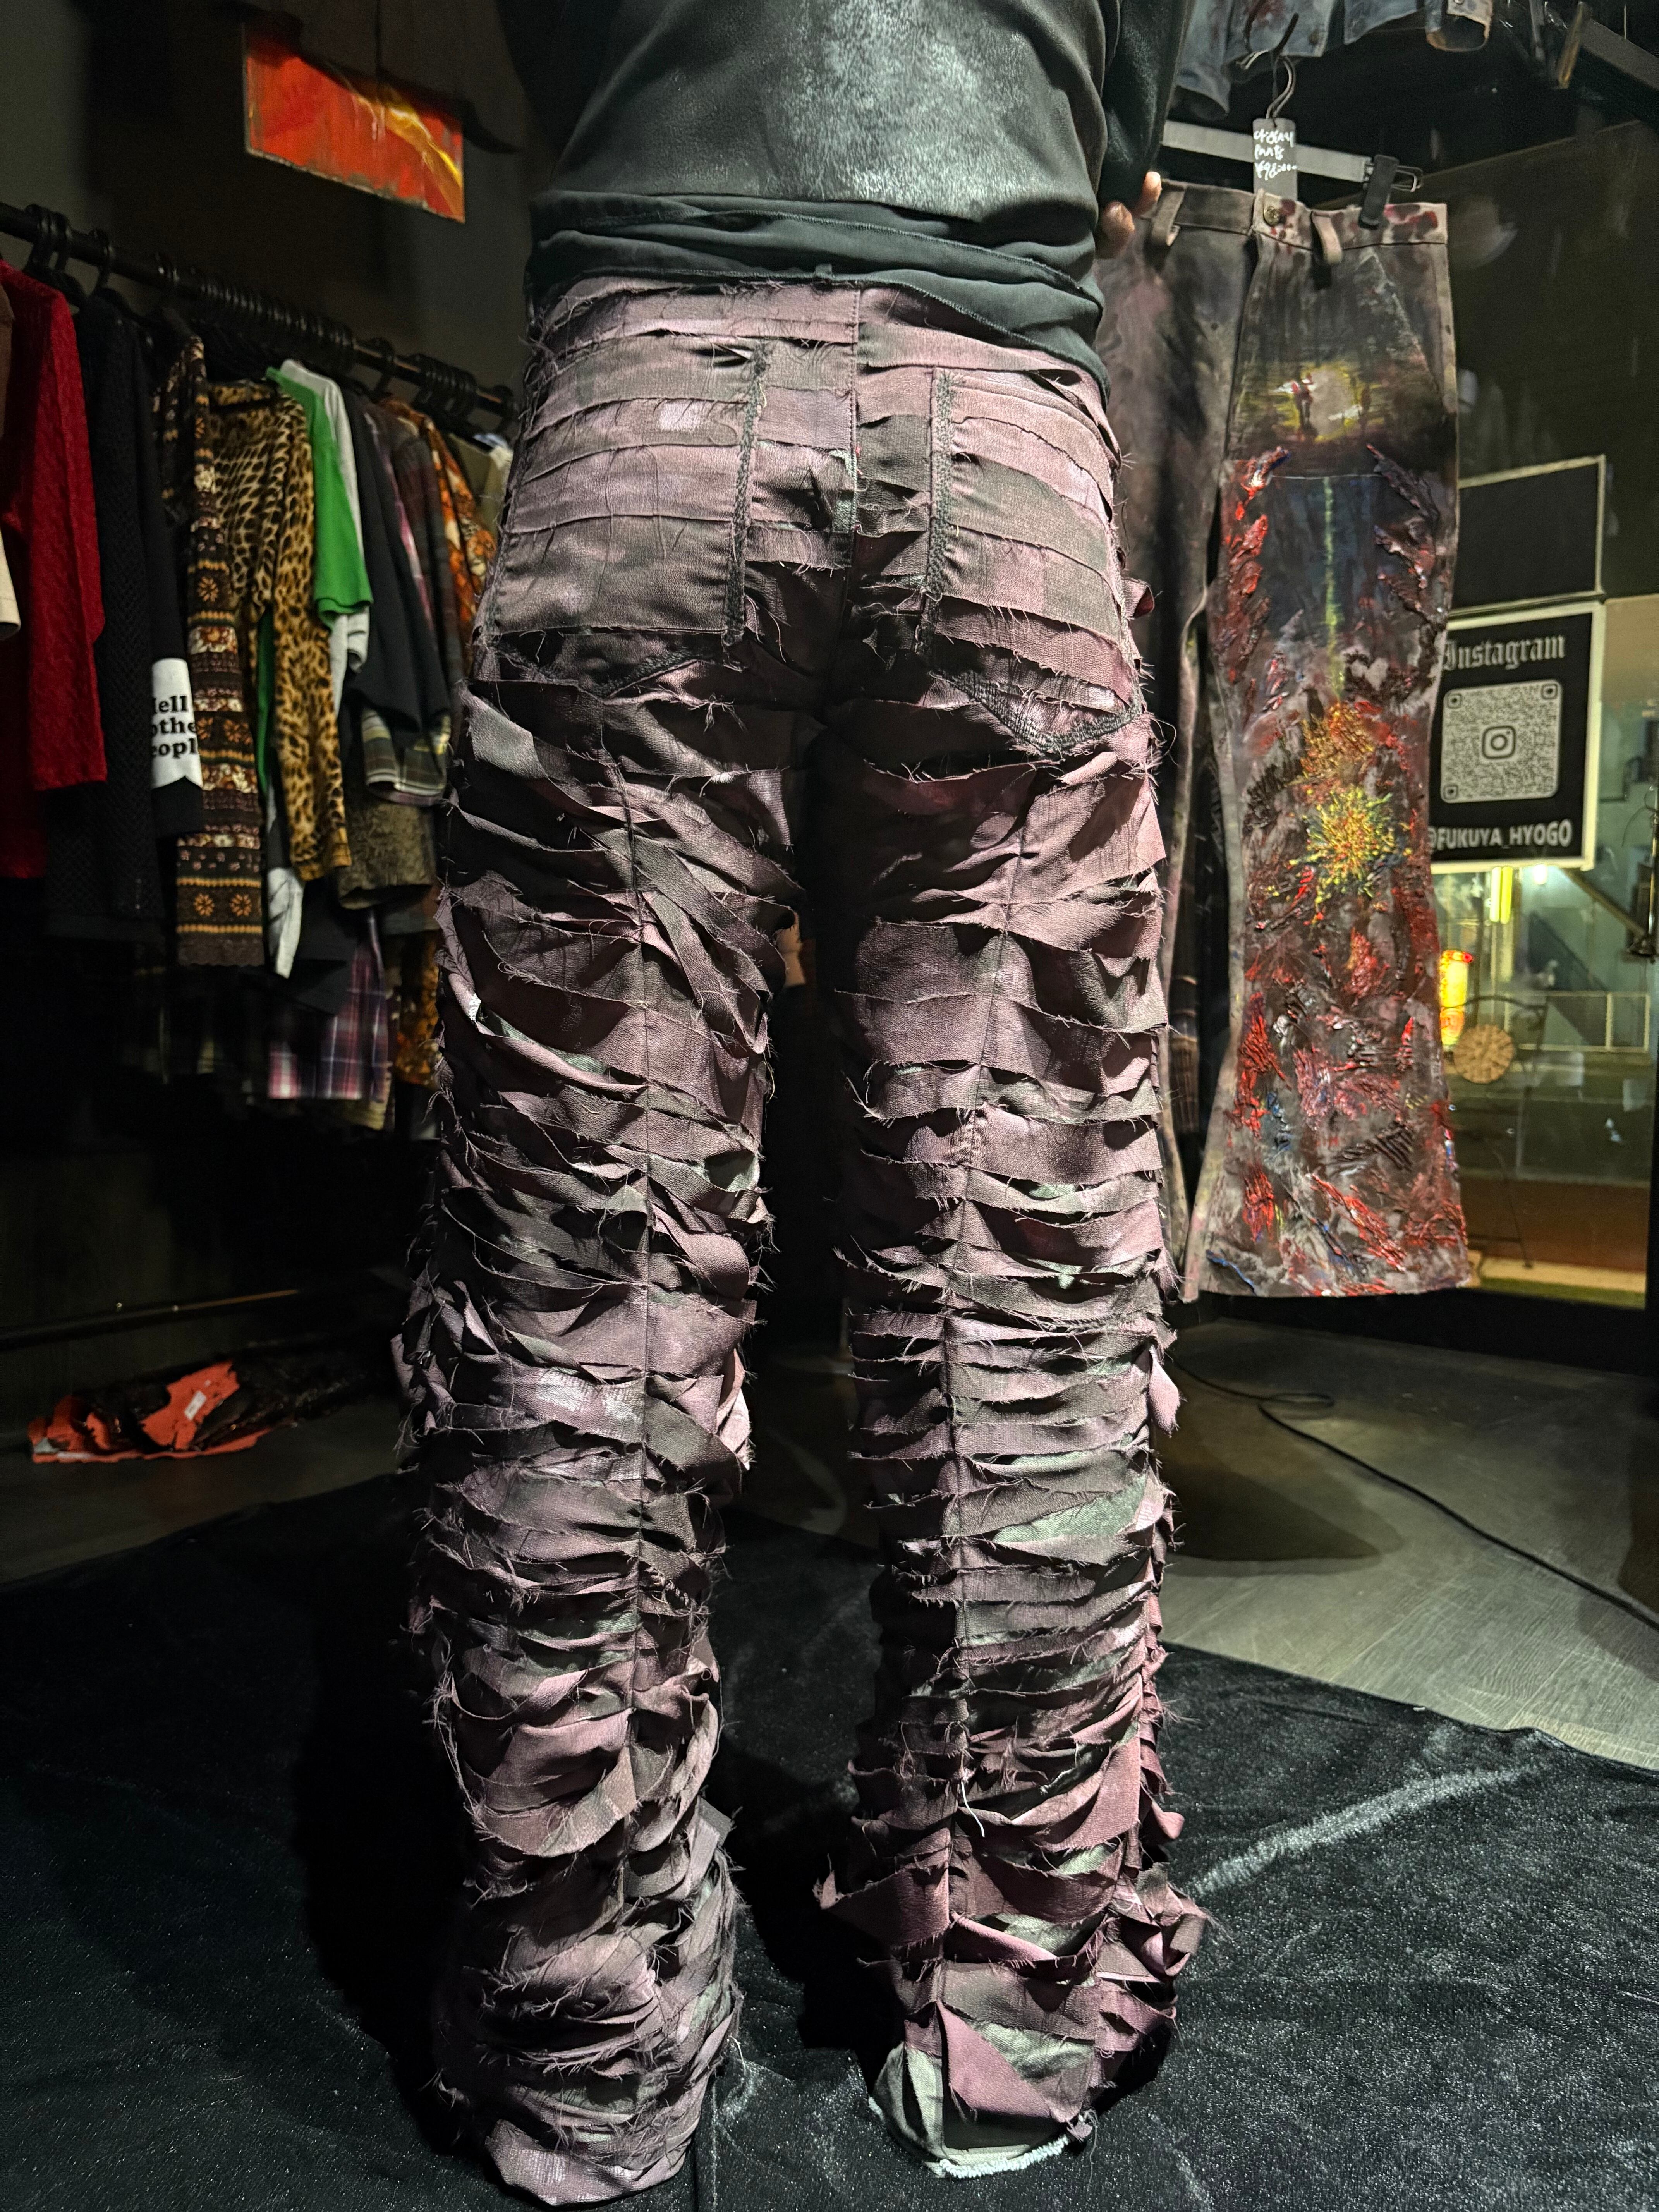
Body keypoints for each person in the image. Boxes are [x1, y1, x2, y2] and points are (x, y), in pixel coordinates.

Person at [399, 4, 1203, 2199]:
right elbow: (1124, 120)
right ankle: (1013, 2016)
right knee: (1020, 1287)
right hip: (999, 439)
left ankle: (593, 2051)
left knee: (586, 1273)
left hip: (647, 420)